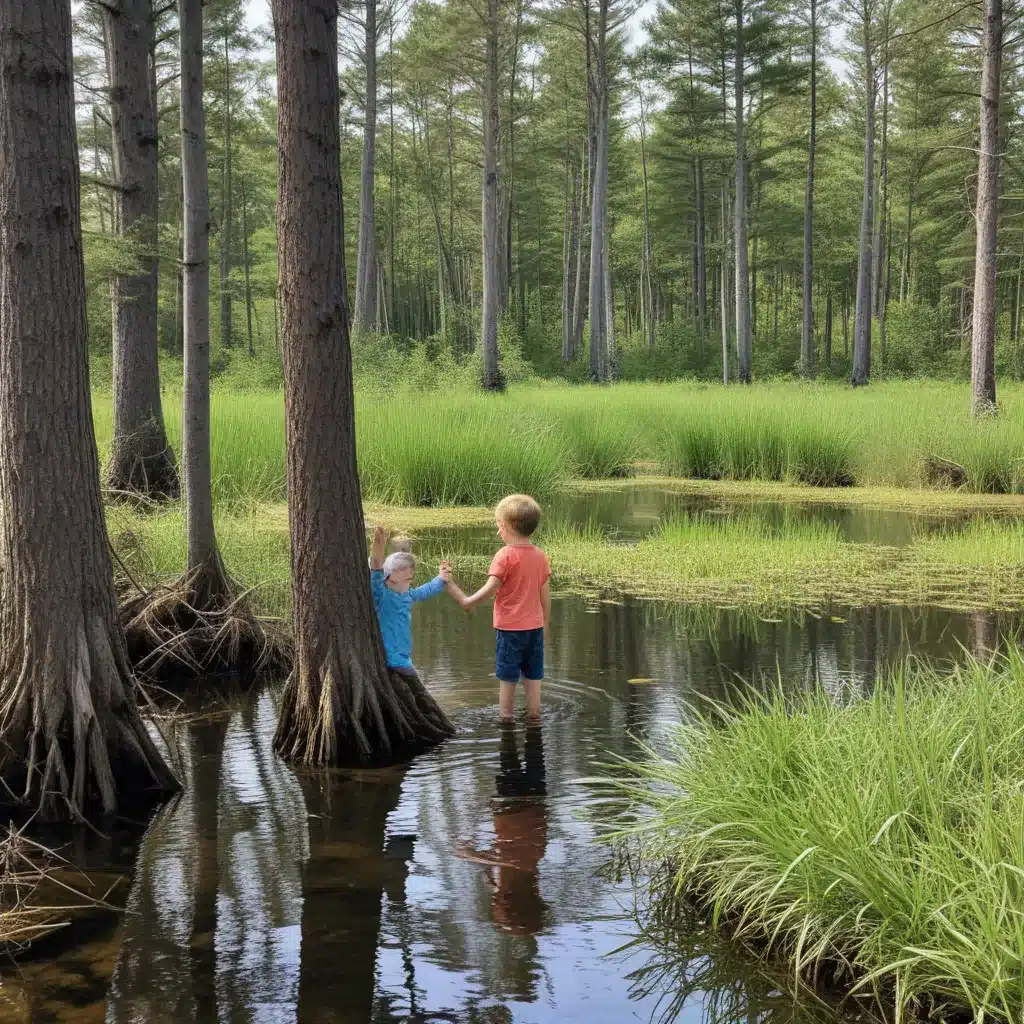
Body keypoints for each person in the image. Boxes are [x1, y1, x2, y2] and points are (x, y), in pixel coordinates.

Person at [446, 495, 550, 721]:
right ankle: (534, 716)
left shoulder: (504, 555)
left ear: (505, 526)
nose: (497, 531)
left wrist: (467, 601)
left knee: (508, 677)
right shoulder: (541, 556)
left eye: (498, 526)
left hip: (510, 631)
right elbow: (545, 596)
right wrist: (546, 625)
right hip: (535, 629)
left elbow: (491, 588)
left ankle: (506, 718)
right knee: (534, 676)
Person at [369, 523, 452, 682]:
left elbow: (426, 590)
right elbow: (376, 565)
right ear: (391, 577)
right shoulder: (381, 594)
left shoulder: (407, 595)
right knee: (415, 684)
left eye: (410, 577)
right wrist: (379, 543)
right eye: (407, 576)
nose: (411, 577)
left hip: (403, 656)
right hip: (391, 658)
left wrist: (441, 578)